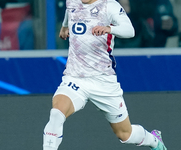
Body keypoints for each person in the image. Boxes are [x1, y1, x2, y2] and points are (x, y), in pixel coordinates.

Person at [43, 0, 167, 150]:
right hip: (75, 77)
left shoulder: (109, 5)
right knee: (56, 113)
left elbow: (129, 30)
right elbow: (69, 11)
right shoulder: (72, 2)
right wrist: (64, 27)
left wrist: (109, 29)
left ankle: (154, 140)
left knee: (125, 134)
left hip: (104, 81)